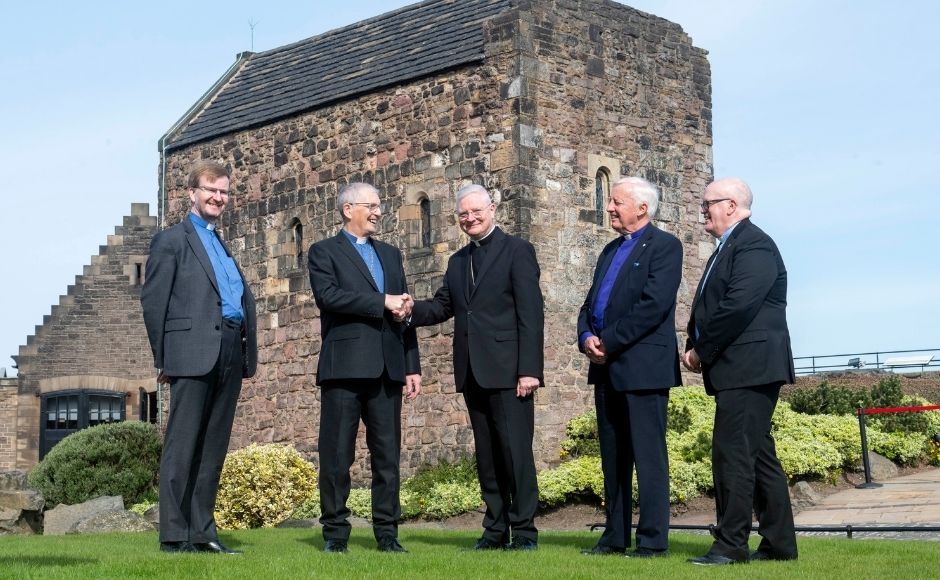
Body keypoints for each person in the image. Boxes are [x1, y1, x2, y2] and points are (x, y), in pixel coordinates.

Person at [409, 184, 543, 551]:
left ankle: (525, 532)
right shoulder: (457, 261)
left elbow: (531, 315)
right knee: (487, 457)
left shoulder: (518, 251)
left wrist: (529, 370)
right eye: (463, 214)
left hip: (511, 372)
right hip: (472, 371)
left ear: (493, 209)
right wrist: (407, 310)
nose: (470, 219)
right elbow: (441, 307)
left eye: (476, 212)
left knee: (515, 454)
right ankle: (495, 529)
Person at [141, 160, 258, 555]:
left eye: (223, 191)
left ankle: (202, 532)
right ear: (191, 193)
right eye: (210, 189)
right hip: (191, 352)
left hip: (229, 347)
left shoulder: (221, 244)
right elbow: (154, 302)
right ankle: (174, 534)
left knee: (213, 446)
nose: (217, 197)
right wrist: (163, 359)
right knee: (183, 443)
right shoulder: (171, 240)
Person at [682, 177, 798, 565]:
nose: (703, 210)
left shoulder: (754, 244)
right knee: (759, 456)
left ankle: (731, 545)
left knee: (732, 455)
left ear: (731, 205)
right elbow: (711, 305)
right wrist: (692, 343)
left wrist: (702, 350)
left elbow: (737, 306)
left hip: (750, 367)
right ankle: (779, 545)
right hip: (739, 367)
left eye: (708, 203)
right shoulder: (730, 246)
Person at [307, 182, 421, 554]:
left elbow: (403, 312)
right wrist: (383, 301)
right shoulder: (323, 252)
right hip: (344, 369)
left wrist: (412, 364)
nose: (378, 212)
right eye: (370, 206)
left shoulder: (390, 254)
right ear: (347, 209)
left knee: (387, 457)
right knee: (337, 456)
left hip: (388, 370)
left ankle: (387, 534)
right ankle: (335, 535)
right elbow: (330, 297)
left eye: (379, 205)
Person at [576, 177, 682, 558]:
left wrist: (610, 340)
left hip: (643, 368)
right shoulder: (609, 250)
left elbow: (653, 307)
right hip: (605, 368)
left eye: (616, 201)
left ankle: (652, 541)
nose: (609, 207)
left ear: (642, 208)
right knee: (613, 456)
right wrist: (586, 335)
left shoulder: (665, 247)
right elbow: (590, 304)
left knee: (648, 457)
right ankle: (614, 536)